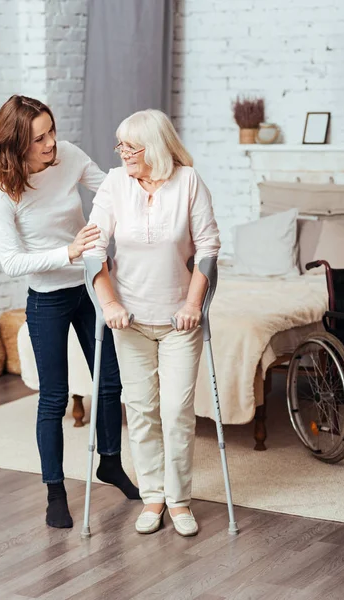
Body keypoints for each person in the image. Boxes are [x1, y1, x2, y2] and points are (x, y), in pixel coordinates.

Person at [0, 95, 139, 530]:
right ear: (17, 145)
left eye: (52, 131)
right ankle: (55, 490)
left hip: (90, 287)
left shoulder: (68, 155)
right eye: (39, 138)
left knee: (110, 381)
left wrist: (148, 171)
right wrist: (67, 250)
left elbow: (109, 187)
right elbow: (11, 262)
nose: (52, 143)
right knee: (53, 398)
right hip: (48, 298)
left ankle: (109, 462)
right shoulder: (3, 186)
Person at [84, 109, 220, 536]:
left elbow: (209, 247)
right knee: (141, 409)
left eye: (131, 146)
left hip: (180, 321)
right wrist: (108, 304)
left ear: (156, 148)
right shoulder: (114, 184)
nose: (122, 153)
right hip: (130, 322)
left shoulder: (188, 182)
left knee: (177, 410)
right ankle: (153, 497)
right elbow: (93, 247)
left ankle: (180, 501)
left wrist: (193, 304)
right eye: (120, 145)